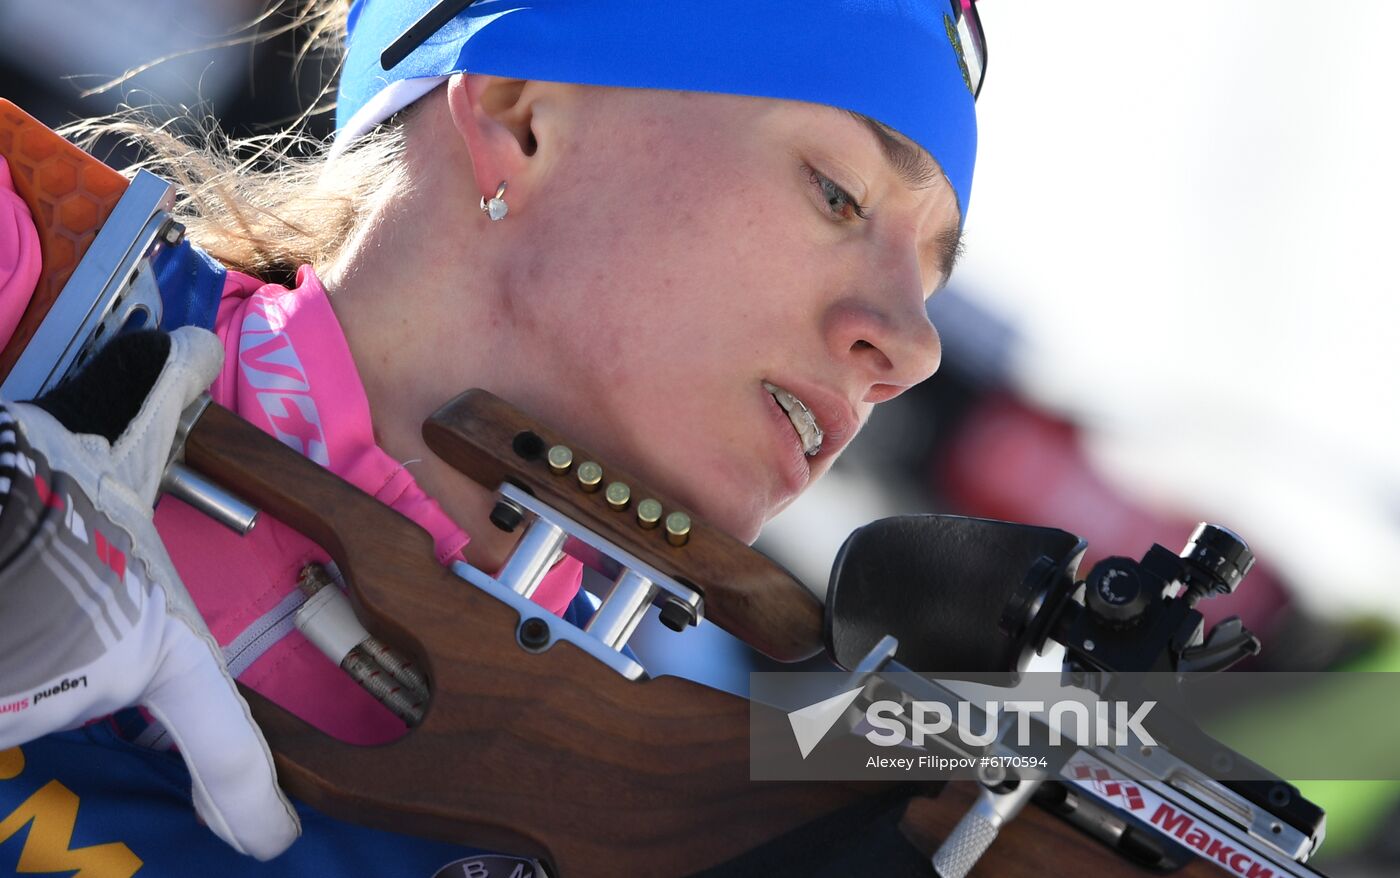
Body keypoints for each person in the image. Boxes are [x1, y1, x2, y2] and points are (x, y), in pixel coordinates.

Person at [0, 0, 984, 873]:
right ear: (519, 115)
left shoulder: (666, 799)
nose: (911, 345)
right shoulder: (36, 282)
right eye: (837, 194)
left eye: (928, 282)